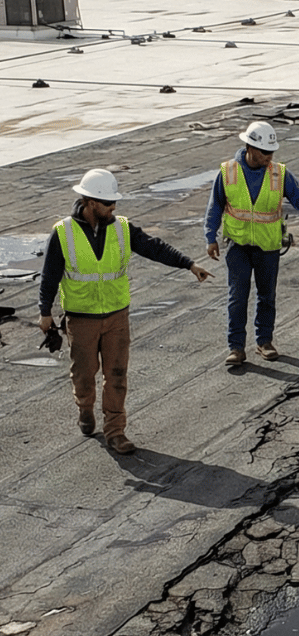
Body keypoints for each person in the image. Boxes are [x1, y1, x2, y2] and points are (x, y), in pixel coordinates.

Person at [38, 168, 213, 456]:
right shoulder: (63, 233)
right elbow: (50, 275)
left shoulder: (121, 228)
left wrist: (188, 264)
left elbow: (153, 248)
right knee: (84, 375)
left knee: (117, 374)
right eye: (108, 203)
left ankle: (115, 430)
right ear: (91, 202)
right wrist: (45, 312)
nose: (114, 207)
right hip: (81, 319)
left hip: (117, 316)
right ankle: (85, 408)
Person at [204, 121, 299, 366]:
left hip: (268, 247)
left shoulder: (279, 173)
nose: (269, 157)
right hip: (238, 246)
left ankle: (264, 341)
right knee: (237, 296)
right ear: (249, 147)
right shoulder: (228, 172)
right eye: (264, 152)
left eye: (271, 152)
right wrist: (210, 237)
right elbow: (215, 205)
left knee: (267, 296)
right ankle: (236, 347)